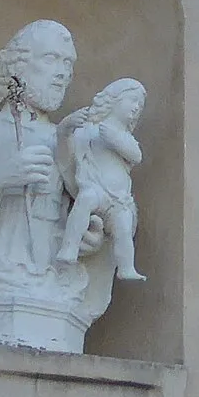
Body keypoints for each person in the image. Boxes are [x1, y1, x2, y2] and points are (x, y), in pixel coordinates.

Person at [56, 79, 148, 280]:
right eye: (132, 100)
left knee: (124, 229)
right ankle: (68, 249)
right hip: (95, 189)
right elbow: (70, 155)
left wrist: (115, 139)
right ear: (114, 99)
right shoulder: (89, 130)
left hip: (119, 200)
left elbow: (136, 155)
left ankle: (126, 268)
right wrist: (66, 129)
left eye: (139, 106)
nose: (136, 108)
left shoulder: (124, 136)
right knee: (85, 200)